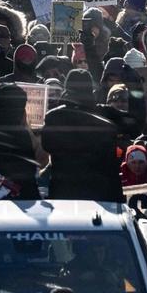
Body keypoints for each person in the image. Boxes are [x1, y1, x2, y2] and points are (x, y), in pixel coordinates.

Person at [41, 69, 122, 202]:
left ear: (67, 89)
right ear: (90, 90)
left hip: (63, 193)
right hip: (98, 196)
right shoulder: (105, 118)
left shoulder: (54, 117)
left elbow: (47, 146)